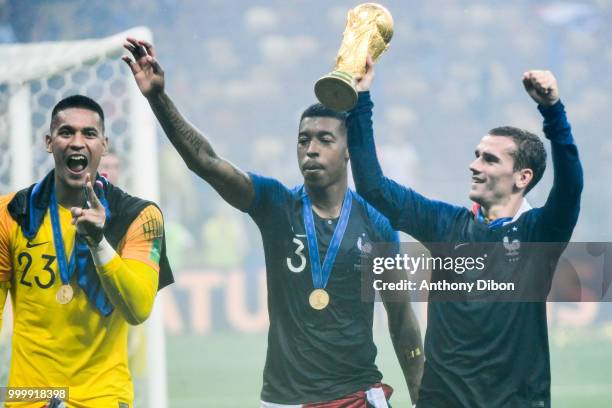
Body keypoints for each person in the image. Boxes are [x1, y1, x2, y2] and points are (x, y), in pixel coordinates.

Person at [123, 37, 423, 407]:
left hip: (355, 395)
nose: (310, 148)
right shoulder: (276, 205)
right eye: (303, 140)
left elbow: (402, 319)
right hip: (284, 399)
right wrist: (157, 97)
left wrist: (423, 396)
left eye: (324, 139)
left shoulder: (376, 223)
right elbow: (206, 161)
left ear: (348, 151)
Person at [347, 57, 583, 407]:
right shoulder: (446, 225)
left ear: (523, 177)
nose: (474, 165)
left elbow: (569, 189)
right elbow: (373, 188)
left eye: (490, 159)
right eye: (476, 155)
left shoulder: (537, 234)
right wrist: (361, 98)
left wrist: (553, 112)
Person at [0, 95, 173, 408]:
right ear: (49, 142)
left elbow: (138, 309)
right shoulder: (11, 214)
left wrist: (99, 243)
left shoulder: (139, 216)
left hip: (103, 398)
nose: (77, 142)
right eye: (66, 132)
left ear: (103, 145)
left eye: (89, 134)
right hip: (29, 399)